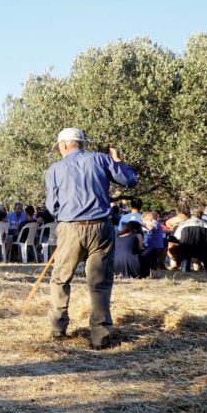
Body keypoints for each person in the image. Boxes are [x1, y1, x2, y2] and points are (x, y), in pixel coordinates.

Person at [46, 128, 138, 349]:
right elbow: (130, 180)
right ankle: (100, 336)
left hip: (71, 227)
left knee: (60, 279)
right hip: (101, 227)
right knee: (100, 282)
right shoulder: (101, 159)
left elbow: (52, 206)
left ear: (65, 144)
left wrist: (66, 218)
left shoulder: (55, 170)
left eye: (59, 146)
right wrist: (118, 161)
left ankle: (58, 330)